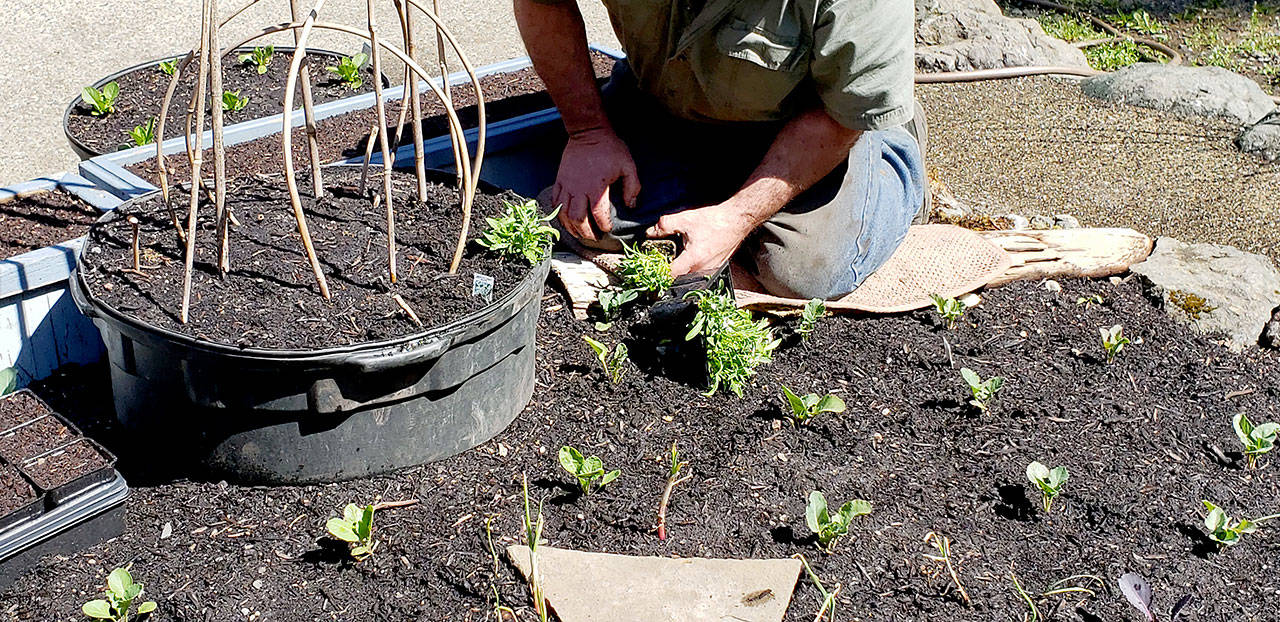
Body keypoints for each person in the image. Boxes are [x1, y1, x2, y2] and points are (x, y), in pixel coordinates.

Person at [514, 0, 927, 299]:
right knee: (591, 221)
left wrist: (735, 218)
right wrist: (589, 132)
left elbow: (841, 117)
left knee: (803, 273)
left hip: (818, 122)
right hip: (666, 100)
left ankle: (896, 172)